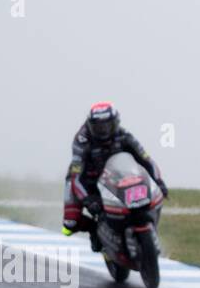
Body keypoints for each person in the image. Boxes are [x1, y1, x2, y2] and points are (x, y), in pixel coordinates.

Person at [61, 102, 168, 251]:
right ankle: (93, 229)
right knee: (69, 224)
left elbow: (146, 160)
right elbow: (76, 176)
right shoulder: (82, 140)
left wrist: (159, 181)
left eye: (107, 125)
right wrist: (87, 199)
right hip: (85, 179)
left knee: (145, 198)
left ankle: (139, 227)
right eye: (98, 127)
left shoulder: (124, 136)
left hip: (114, 177)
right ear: (91, 126)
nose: (103, 131)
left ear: (115, 123)